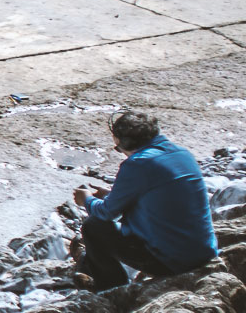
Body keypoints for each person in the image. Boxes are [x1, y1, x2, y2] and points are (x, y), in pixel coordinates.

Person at [71, 111, 217, 290]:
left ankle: (111, 288)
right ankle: (92, 270)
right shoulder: (182, 153)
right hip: (205, 252)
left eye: (118, 148)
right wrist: (111, 193)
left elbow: (107, 212)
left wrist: (86, 200)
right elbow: (159, 197)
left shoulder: (137, 163)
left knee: (94, 227)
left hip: (173, 262)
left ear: (122, 143)